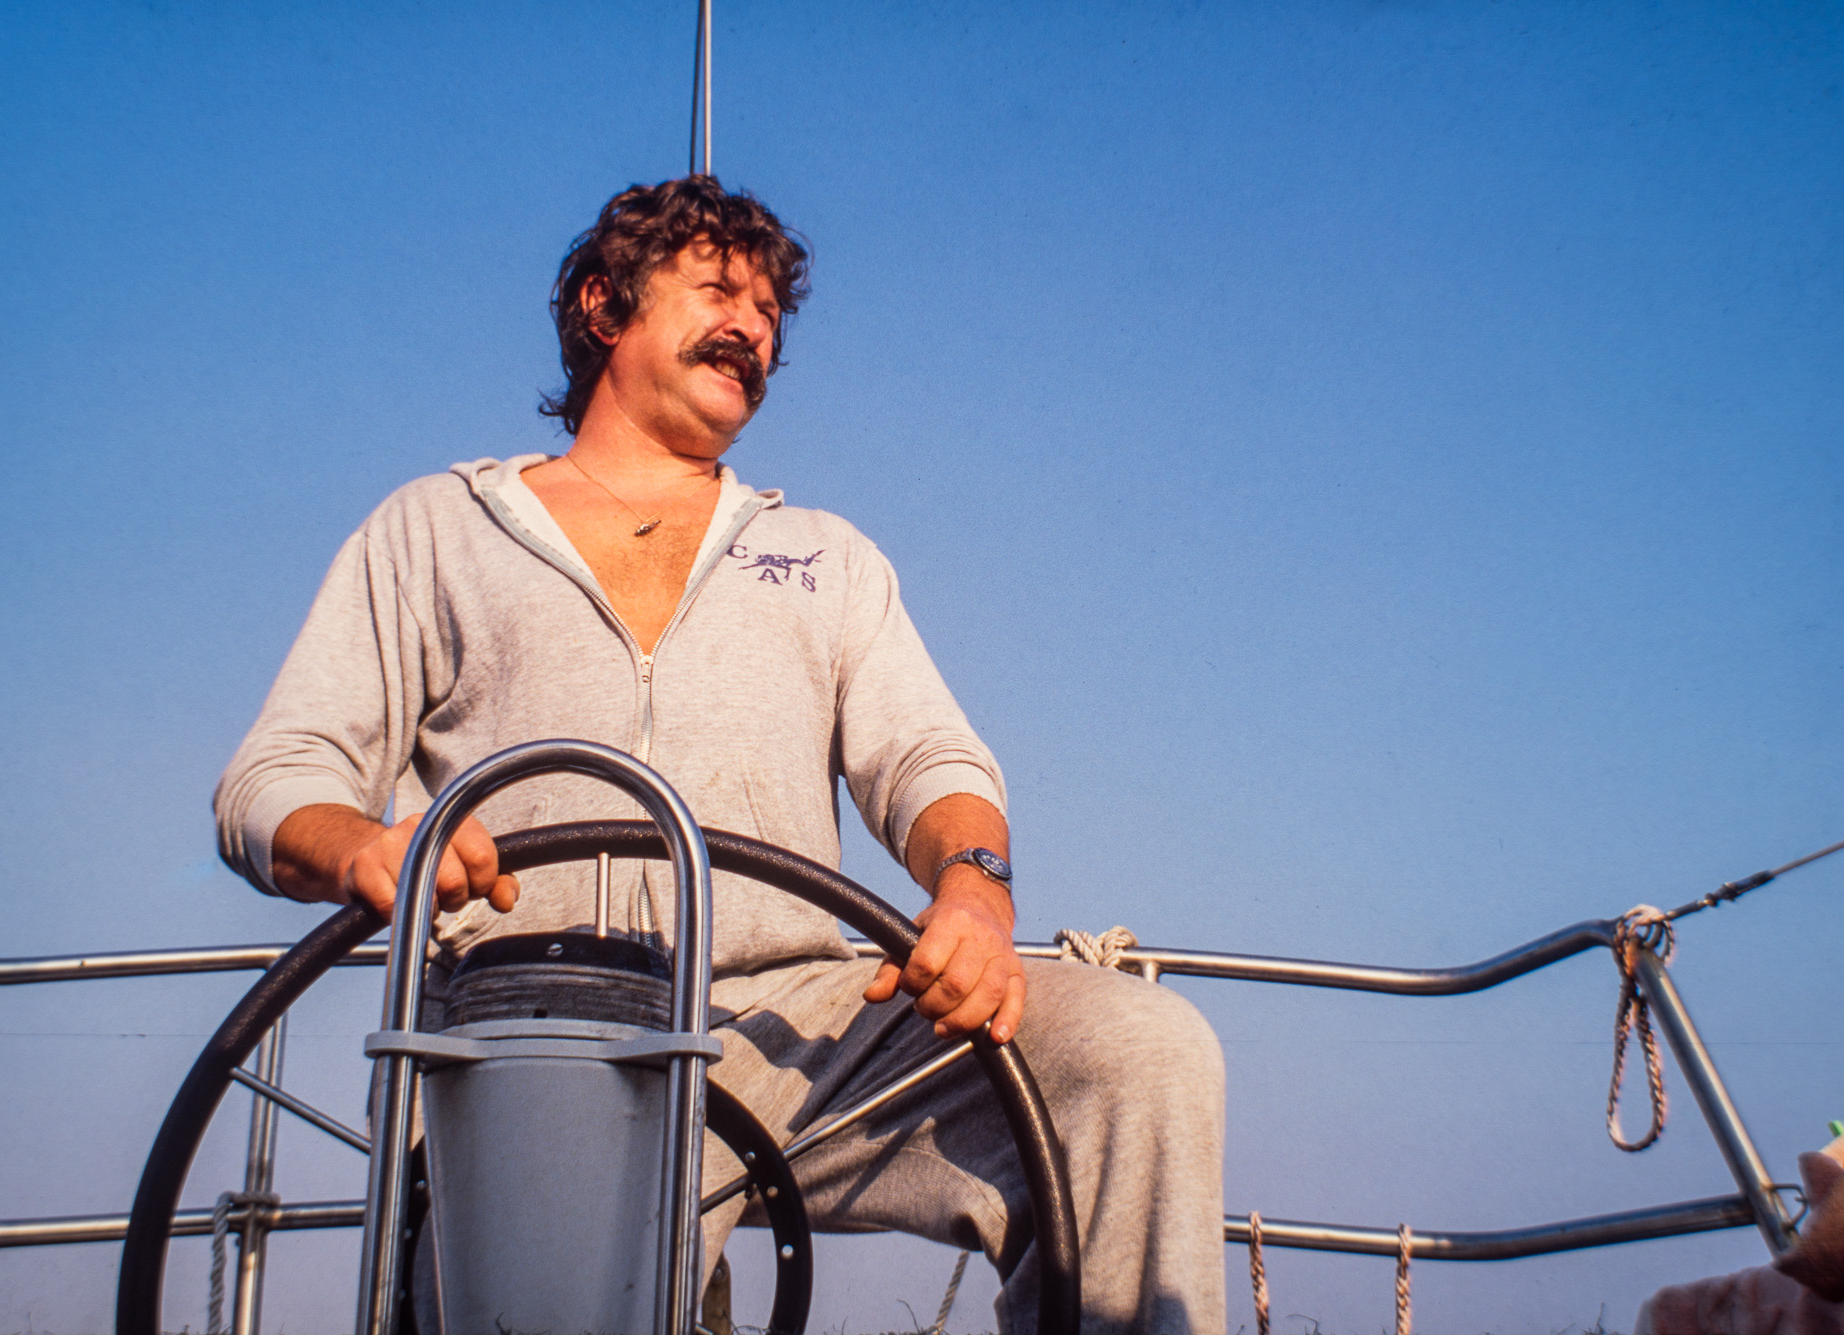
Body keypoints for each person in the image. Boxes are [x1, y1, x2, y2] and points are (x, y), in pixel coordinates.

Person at [215, 176, 1226, 1334]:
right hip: (540, 1020)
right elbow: (271, 781)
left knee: (1137, 1052)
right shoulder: (433, 531)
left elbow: (931, 759)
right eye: (716, 291)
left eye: (769, 314)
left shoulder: (823, 555)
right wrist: (364, 847)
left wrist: (974, 890)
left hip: (800, 1024)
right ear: (604, 306)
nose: (752, 328)